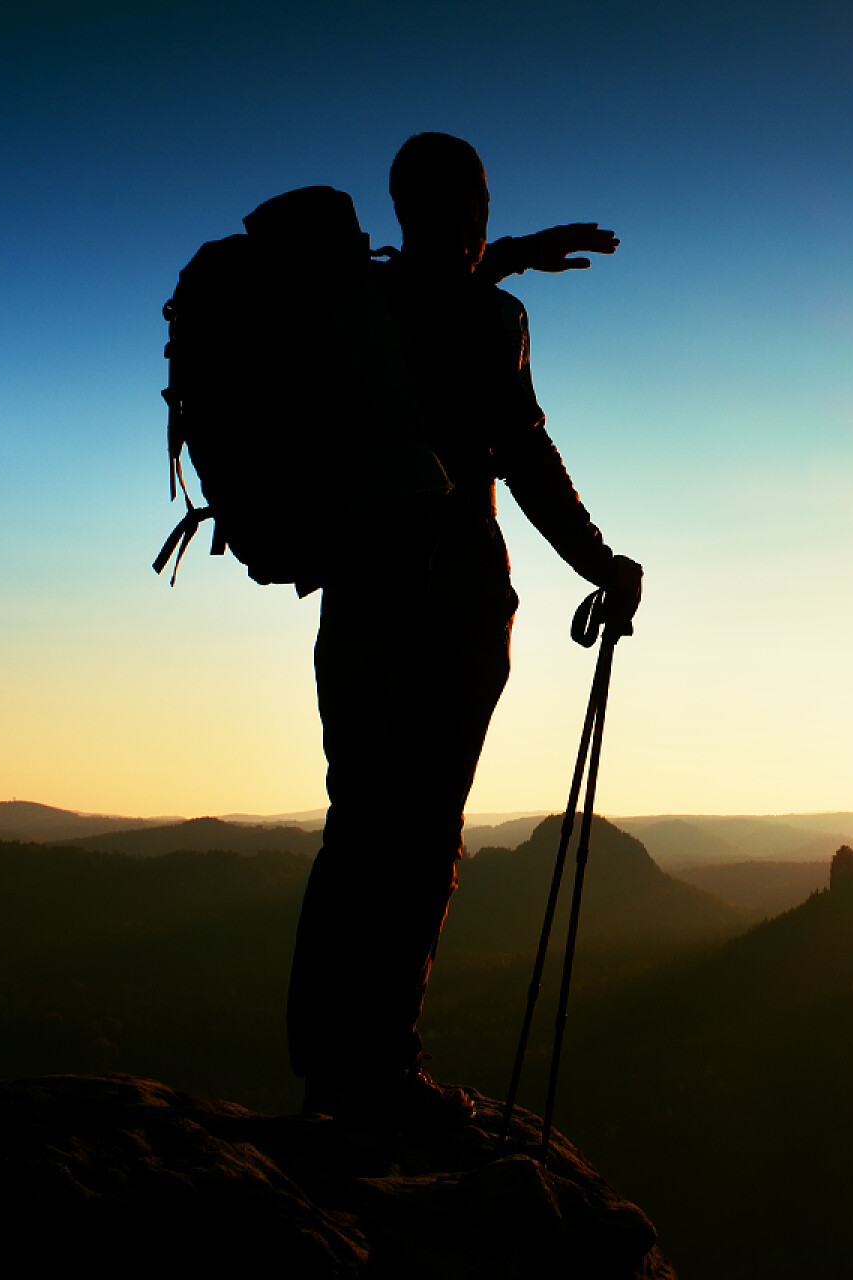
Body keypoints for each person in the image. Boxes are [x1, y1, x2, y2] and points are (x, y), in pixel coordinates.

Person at [285, 132, 643, 1130]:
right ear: (473, 210)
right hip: (453, 603)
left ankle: (327, 1074)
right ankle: (386, 1069)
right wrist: (601, 560)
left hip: (354, 601)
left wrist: (516, 250)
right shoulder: (491, 322)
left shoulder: (353, 306)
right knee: (424, 830)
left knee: (356, 824)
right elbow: (523, 453)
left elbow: (417, 284)